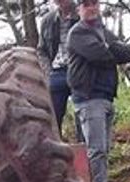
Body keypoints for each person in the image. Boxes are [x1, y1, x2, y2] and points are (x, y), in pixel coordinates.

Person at [67, 0, 130, 182]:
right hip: (89, 98)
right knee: (96, 149)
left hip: (106, 96)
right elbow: (100, 55)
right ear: (79, 9)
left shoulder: (102, 31)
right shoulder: (78, 32)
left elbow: (128, 53)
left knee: (103, 148)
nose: (92, 7)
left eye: (94, 3)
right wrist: (111, 47)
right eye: (86, 4)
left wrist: (109, 46)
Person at [37, 0, 79, 138]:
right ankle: (56, 145)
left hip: (79, 71)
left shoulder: (82, 14)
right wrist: (47, 71)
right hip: (56, 72)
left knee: (83, 112)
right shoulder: (47, 20)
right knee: (53, 116)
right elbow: (42, 50)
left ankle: (86, 147)